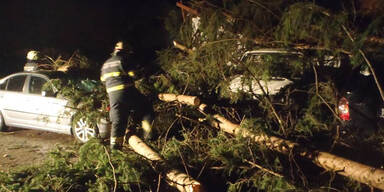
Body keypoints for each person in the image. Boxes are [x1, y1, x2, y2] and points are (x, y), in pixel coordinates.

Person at [101, 41, 154, 150]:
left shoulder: (106, 64)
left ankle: (115, 149)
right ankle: (149, 137)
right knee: (146, 108)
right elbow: (134, 74)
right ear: (125, 52)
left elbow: (103, 80)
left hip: (112, 95)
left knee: (118, 121)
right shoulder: (123, 60)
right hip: (127, 91)